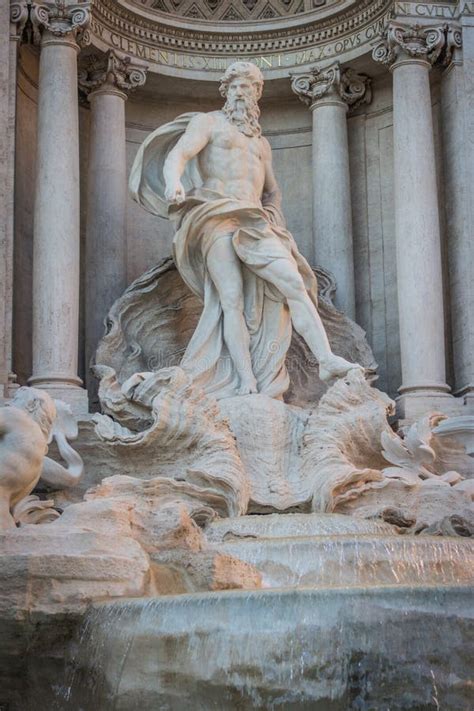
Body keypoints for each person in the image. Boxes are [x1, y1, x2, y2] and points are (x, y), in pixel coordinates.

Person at [130, 61, 362, 399]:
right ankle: (245, 380)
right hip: (215, 216)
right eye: (236, 86)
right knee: (231, 300)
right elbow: (178, 155)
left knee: (294, 283)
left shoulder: (261, 144)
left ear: (257, 94)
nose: (241, 92)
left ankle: (325, 359)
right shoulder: (208, 123)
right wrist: (173, 183)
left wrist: (274, 215)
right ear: (226, 92)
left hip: (254, 221)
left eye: (248, 87)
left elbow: (272, 190)